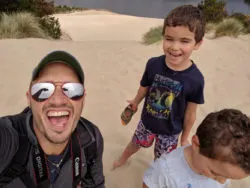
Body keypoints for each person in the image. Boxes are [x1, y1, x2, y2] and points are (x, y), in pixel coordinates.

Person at [113, 5, 205, 169]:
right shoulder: (153, 64)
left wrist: (185, 137)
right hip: (147, 123)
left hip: (170, 132)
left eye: (184, 41)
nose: (174, 47)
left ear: (197, 44)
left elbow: (191, 113)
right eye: (169, 39)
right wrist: (135, 102)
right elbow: (145, 87)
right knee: (134, 144)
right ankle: (123, 159)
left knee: (162, 161)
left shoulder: (196, 79)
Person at [0, 51, 105, 188]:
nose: (58, 100)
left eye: (72, 89)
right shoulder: (7, 139)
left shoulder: (91, 139)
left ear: (83, 99)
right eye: (43, 89)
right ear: (29, 98)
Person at [143, 108, 250, 188]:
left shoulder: (223, 168)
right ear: (196, 143)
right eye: (215, 173)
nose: (221, 182)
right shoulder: (166, 171)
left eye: (228, 177)